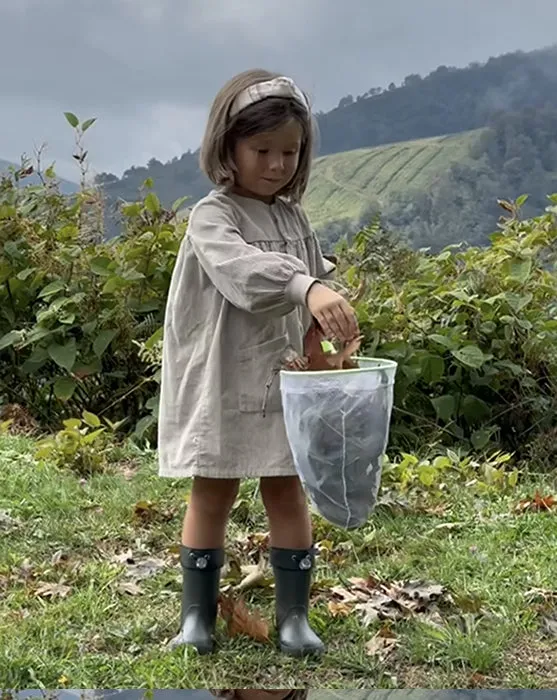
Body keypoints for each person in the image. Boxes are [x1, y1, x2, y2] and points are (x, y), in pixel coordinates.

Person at [158, 68, 360, 658]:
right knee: (212, 489)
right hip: (222, 373)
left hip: (285, 373)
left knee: (286, 487)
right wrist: (306, 286)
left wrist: (326, 335)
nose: (276, 165)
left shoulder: (295, 220)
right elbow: (245, 275)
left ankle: (293, 617)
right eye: (262, 150)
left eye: (290, 152)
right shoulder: (212, 217)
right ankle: (197, 617)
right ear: (228, 148)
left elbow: (314, 290)